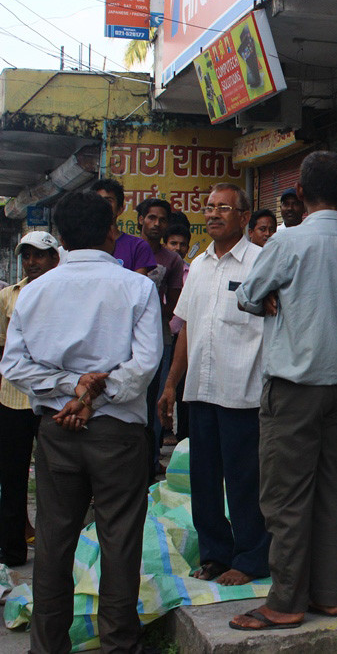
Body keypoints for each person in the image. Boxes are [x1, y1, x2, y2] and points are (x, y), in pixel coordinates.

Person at [0, 191, 161, 653]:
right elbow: (146, 363)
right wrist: (90, 391)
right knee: (120, 542)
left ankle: (47, 646)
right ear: (112, 230)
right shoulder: (137, 287)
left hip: (57, 429)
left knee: (53, 542)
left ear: (63, 238)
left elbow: (14, 366)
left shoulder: (35, 291)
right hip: (119, 433)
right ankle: (119, 645)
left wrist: (72, 390)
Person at [231, 150, 337, 630]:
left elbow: (248, 294)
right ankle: (331, 594)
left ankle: (286, 601)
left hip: (295, 387)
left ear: (302, 195)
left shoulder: (289, 242)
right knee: (332, 491)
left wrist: (267, 295)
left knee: (286, 496)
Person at [157, 183, 270, 587]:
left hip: (242, 392)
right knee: (203, 481)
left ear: (243, 216)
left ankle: (252, 557)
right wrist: (171, 384)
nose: (215, 213)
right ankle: (215, 555)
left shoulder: (261, 262)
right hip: (199, 393)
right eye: (209, 207)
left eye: (225, 207)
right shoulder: (199, 265)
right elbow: (186, 327)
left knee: (245, 482)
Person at [0, 232, 61, 569]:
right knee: (12, 478)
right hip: (13, 399)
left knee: (55, 479)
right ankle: (12, 549)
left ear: (54, 258)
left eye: (39, 256)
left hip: (52, 398)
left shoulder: (64, 293)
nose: (32, 262)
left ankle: (54, 551)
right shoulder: (9, 296)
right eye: (27, 256)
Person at [137, 198, 186, 476]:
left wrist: (154, 318)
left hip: (159, 339)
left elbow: (175, 302)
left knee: (155, 400)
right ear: (141, 219)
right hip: (124, 339)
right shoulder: (127, 248)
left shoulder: (172, 260)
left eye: (162, 219)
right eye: (151, 217)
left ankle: (151, 460)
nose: (156, 223)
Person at [91, 178, 157, 275]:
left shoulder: (137, 246)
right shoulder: (81, 245)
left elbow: (139, 286)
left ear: (120, 209)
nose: (102, 205)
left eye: (108, 201)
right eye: (98, 200)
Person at [164, 223, 191, 442]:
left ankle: (182, 437)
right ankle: (163, 431)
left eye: (182, 244)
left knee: (183, 390)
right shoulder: (158, 269)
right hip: (164, 337)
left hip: (184, 337)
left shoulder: (192, 271)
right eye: (173, 243)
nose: (178, 248)